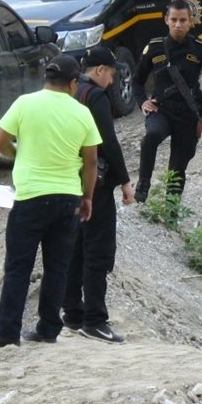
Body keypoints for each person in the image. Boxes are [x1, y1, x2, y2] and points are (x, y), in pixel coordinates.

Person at [0, 55, 101, 348]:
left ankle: (7, 332)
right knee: (57, 267)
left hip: (31, 196)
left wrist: (18, 153)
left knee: (18, 266)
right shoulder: (82, 112)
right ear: (72, 83)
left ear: (46, 79)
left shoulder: (24, 103)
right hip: (67, 197)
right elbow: (92, 160)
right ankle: (48, 329)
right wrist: (87, 197)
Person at [63, 46, 136, 343]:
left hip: (68, 181)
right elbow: (108, 141)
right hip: (95, 184)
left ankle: (72, 312)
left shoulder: (70, 93)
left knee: (75, 247)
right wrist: (125, 181)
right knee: (98, 251)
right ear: (100, 70)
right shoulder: (95, 97)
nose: (113, 81)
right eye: (112, 74)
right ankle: (94, 320)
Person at [132, 0, 202, 203]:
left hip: (189, 114)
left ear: (190, 21)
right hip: (162, 110)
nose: (178, 25)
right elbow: (137, 81)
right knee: (151, 137)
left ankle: (171, 211)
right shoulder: (154, 48)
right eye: (174, 19)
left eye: (183, 20)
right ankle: (143, 186)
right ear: (166, 19)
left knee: (178, 168)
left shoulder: (201, 48)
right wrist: (142, 102)